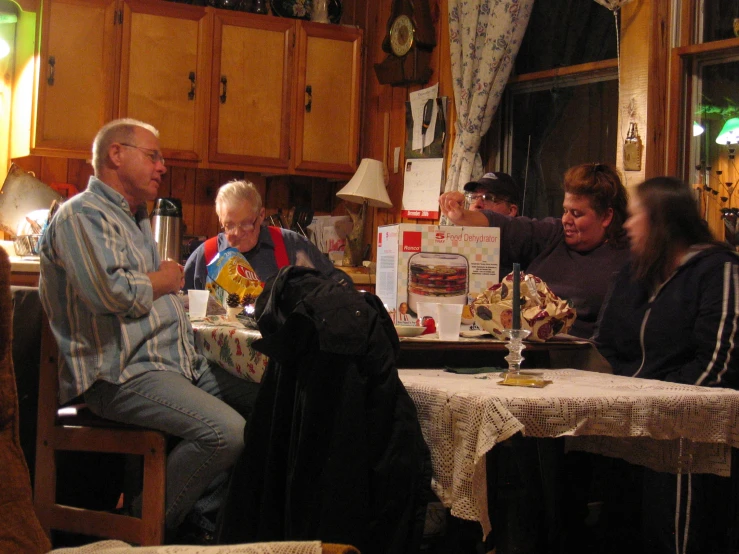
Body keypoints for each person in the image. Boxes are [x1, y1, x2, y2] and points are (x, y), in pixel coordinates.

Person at [38, 118, 260, 543]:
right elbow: (112, 295)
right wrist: (166, 278)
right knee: (226, 433)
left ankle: (207, 519)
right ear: (116, 155)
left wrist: (163, 278)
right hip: (121, 375)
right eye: (153, 155)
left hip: (175, 366)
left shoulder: (136, 219)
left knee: (275, 401)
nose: (162, 166)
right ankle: (147, 527)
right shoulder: (81, 215)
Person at [594, 176, 739, 554]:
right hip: (629, 413)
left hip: (689, 422)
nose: (626, 225)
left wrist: (657, 405)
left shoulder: (719, 270)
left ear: (663, 222)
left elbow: (719, 363)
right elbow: (605, 343)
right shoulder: (633, 272)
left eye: (635, 216)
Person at [440, 163, 629, 338]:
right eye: (565, 211)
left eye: (577, 214)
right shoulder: (554, 234)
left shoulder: (625, 259)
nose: (566, 220)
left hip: (578, 357)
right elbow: (506, 226)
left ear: (606, 216)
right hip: (521, 346)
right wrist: (462, 215)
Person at [184, 179, 348, 291]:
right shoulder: (206, 255)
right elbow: (179, 309)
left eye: (246, 223)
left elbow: (339, 283)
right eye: (229, 225)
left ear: (261, 215)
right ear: (220, 220)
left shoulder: (290, 245)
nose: (237, 233)